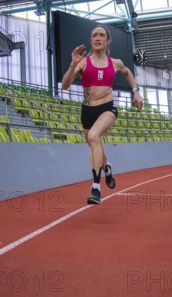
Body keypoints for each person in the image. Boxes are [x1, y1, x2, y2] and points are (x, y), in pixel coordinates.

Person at [62, 25, 144, 205]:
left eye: (101, 35)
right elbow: (65, 85)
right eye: (94, 36)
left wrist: (136, 91)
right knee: (95, 144)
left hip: (107, 108)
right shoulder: (83, 62)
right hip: (87, 111)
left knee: (93, 136)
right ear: (91, 41)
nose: (97, 38)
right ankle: (107, 169)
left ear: (107, 40)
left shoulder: (115, 63)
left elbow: (128, 72)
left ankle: (96, 188)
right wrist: (73, 64)